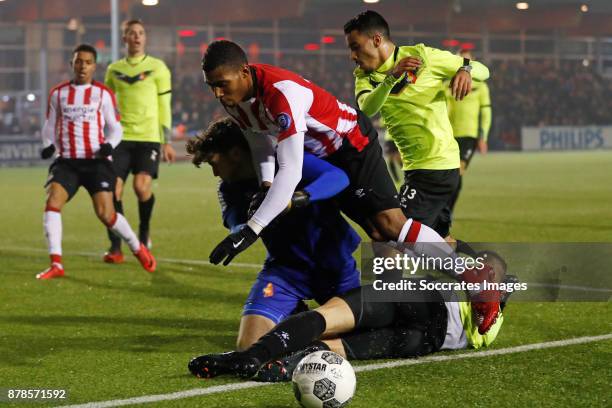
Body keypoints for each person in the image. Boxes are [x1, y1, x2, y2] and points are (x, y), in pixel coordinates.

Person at [201, 40, 500, 333]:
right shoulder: (236, 99)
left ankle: (476, 281)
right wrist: (266, 185)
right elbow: (260, 142)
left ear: (243, 71)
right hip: (329, 156)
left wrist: (251, 230)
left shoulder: (281, 92)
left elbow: (291, 170)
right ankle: (403, 301)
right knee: (379, 233)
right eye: (211, 85)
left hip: (351, 144)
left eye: (222, 83)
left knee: (392, 224)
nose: (217, 92)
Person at [188, 252, 518, 381]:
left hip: (421, 300)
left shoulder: (482, 285)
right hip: (427, 341)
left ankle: (250, 356)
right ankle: (285, 367)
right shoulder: (492, 322)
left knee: (326, 317)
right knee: (337, 347)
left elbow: (463, 261)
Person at [186, 118, 361, 349]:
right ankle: (297, 322)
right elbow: (236, 223)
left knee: (364, 331)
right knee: (249, 345)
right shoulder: (228, 189)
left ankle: (298, 325)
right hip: (285, 272)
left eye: (213, 162)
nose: (215, 172)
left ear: (236, 153)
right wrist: (236, 235)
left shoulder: (286, 162)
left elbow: (338, 178)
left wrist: (295, 199)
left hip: (334, 265)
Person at [344, 10, 490, 242]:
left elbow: (484, 70)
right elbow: (367, 108)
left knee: (389, 233)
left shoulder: (423, 57)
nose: (352, 55)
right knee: (441, 240)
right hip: (417, 168)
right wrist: (391, 77)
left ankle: (390, 281)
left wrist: (466, 69)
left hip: (436, 166)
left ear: (377, 40)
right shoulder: (365, 76)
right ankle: (487, 274)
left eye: (356, 46)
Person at [37, 44, 156, 280]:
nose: (82, 66)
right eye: (78, 61)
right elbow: (49, 127)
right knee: (52, 203)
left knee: (106, 214)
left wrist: (109, 145)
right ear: (72, 64)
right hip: (67, 162)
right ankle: (56, 263)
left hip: (96, 162)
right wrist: (47, 145)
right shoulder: (58, 93)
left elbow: (116, 129)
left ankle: (136, 247)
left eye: (87, 62)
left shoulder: (103, 94)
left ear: (94, 66)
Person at [103, 19, 176, 263]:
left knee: (141, 187)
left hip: (148, 138)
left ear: (145, 38)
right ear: (124, 38)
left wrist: (166, 140)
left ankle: (144, 232)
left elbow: (164, 105)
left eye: (140, 33)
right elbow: (106, 106)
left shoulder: (158, 68)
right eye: (131, 33)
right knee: (111, 191)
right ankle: (116, 246)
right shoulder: (113, 70)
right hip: (120, 138)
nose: (136, 37)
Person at [447, 49, 492, 212]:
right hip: (449, 136)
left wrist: (483, 137)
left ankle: (447, 212)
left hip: (469, 136)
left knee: (457, 171)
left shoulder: (480, 86)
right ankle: (444, 211)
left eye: (466, 60)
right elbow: (446, 109)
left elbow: (486, 112)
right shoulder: (448, 84)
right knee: (449, 175)